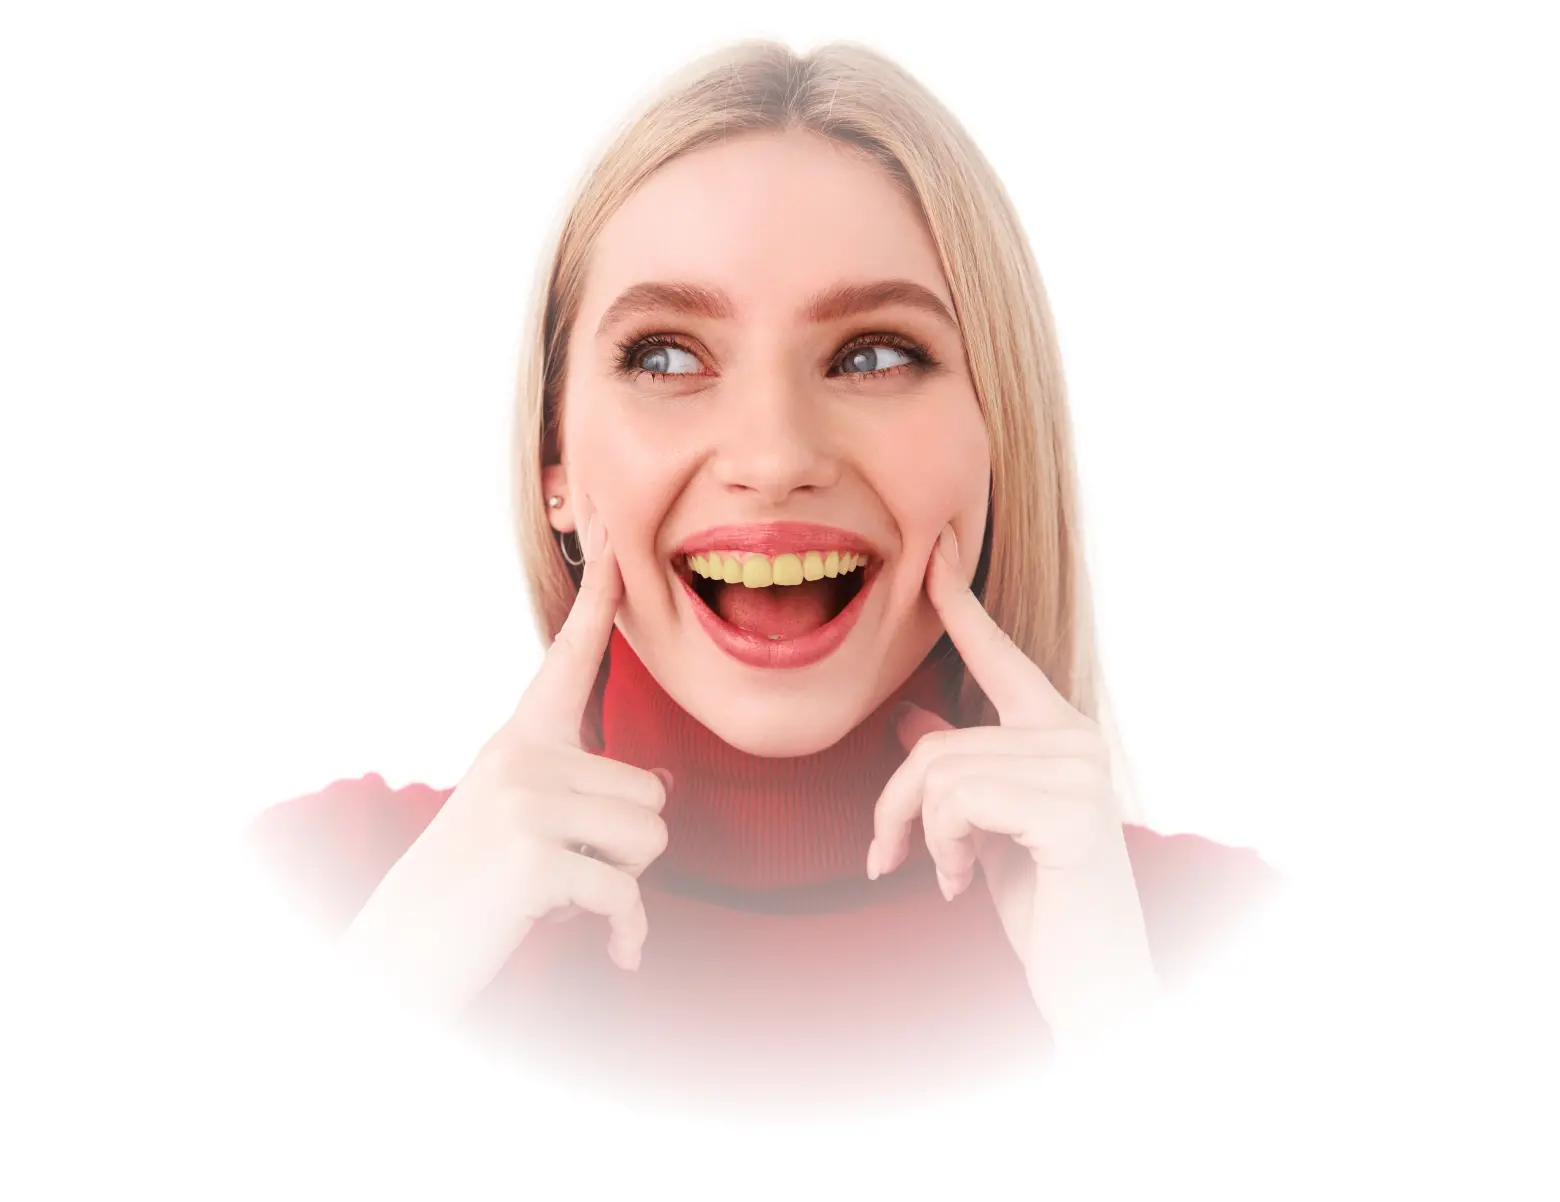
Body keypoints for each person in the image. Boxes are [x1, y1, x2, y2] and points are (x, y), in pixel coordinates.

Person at [249, 37, 1281, 1120]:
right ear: (554, 465)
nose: (776, 452)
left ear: (997, 441)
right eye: (666, 356)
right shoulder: (316, 889)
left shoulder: (1220, 942)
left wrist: (1124, 1036)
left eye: (874, 355)